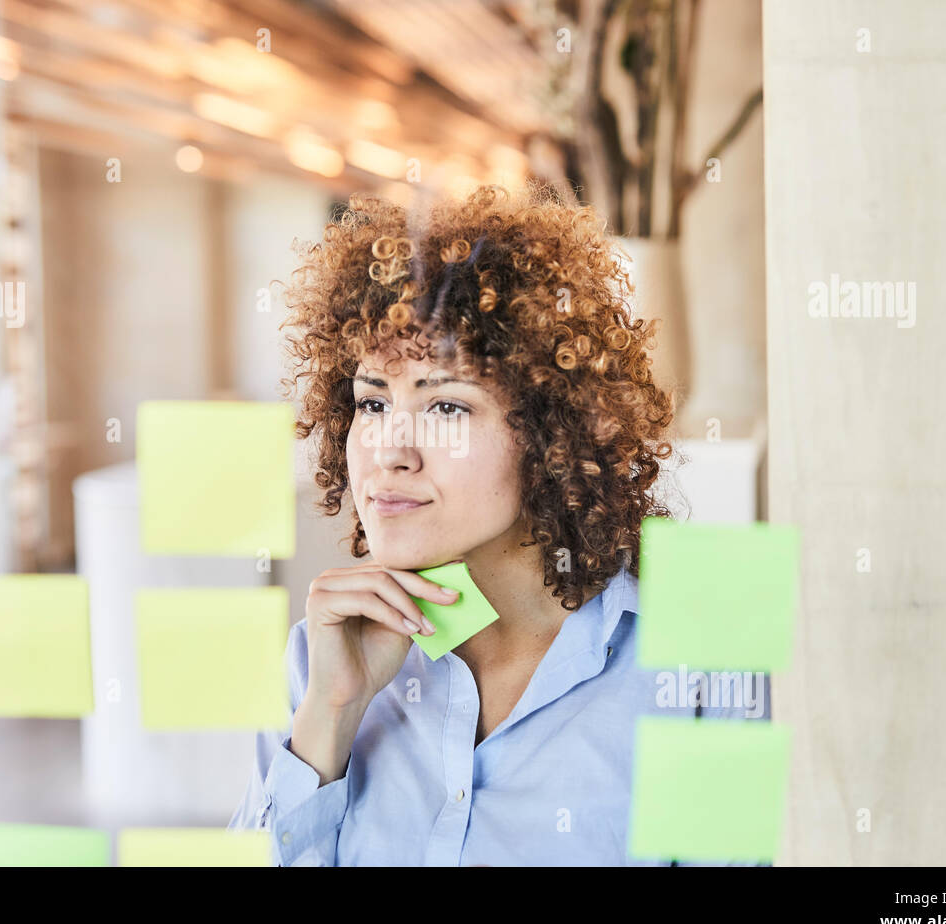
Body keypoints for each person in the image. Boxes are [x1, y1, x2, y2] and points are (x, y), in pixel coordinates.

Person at [228, 183, 767, 865]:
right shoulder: (322, 659)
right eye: (372, 403)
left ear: (551, 434)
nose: (391, 450)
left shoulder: (700, 666)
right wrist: (330, 718)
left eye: (446, 408)